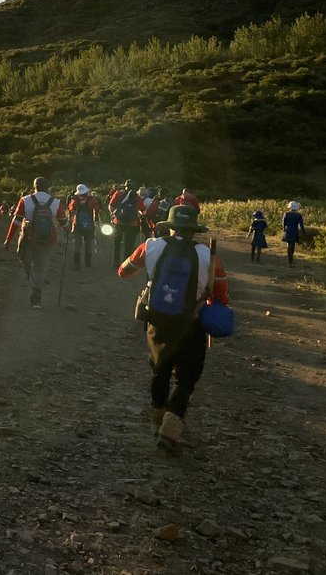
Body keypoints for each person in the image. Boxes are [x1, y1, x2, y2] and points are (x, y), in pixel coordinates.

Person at [116, 204, 229, 455]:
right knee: (187, 378)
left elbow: (123, 272)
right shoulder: (209, 256)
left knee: (160, 369)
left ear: (171, 225)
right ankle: (171, 428)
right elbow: (221, 296)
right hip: (192, 323)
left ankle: (157, 418)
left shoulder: (151, 245)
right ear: (194, 229)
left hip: (157, 320)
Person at [3, 176, 67, 309]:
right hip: (48, 239)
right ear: (47, 187)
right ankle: (36, 299)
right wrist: (69, 229)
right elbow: (64, 223)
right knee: (40, 268)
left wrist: (8, 239)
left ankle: (31, 280)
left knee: (25, 260)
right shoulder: (56, 202)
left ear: (34, 186)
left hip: (28, 238)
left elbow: (16, 222)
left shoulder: (25, 200)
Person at [108, 180, 144, 263]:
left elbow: (111, 206)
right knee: (129, 244)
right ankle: (126, 262)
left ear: (125, 186)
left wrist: (113, 215)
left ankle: (116, 262)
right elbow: (143, 210)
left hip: (119, 222)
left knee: (117, 243)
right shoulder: (136, 196)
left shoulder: (118, 194)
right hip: (132, 223)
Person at [68, 183, 102, 269]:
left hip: (77, 225)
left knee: (77, 244)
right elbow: (97, 210)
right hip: (89, 225)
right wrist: (97, 221)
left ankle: (77, 264)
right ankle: (88, 263)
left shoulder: (75, 200)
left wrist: (70, 222)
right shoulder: (92, 199)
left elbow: (71, 212)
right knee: (88, 244)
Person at [282, 201, 306, 266]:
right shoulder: (299, 215)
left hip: (288, 230)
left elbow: (283, 223)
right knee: (293, 244)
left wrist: (284, 228)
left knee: (288, 244)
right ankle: (291, 257)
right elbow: (301, 225)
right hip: (295, 231)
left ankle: (289, 257)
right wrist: (303, 232)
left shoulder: (286, 214)